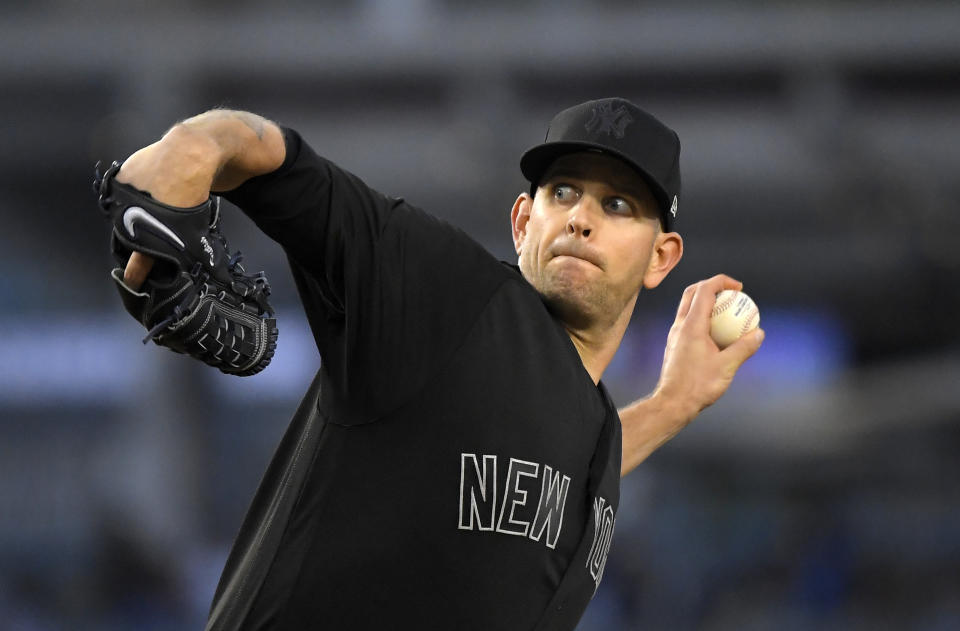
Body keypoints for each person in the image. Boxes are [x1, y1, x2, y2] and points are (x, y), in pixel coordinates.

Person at [113, 97, 763, 630]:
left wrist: (676, 402)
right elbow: (277, 162)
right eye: (562, 192)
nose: (581, 218)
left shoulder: (586, 425)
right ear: (521, 221)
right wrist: (196, 147)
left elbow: (549, 465)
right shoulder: (446, 294)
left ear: (661, 258)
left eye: (618, 204)